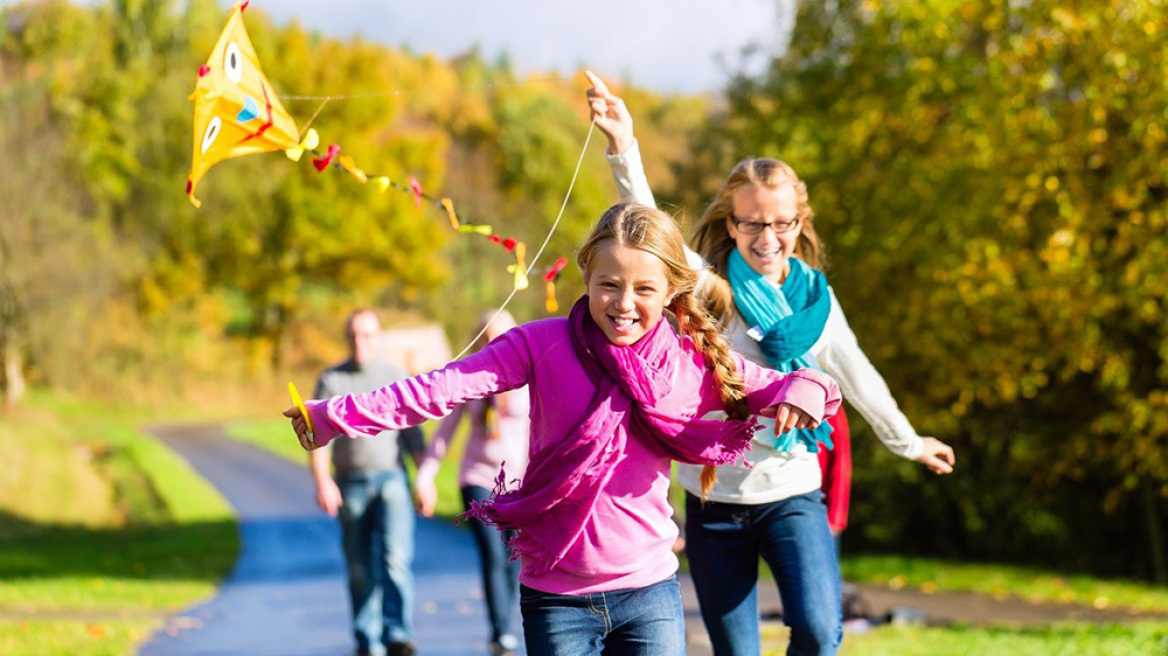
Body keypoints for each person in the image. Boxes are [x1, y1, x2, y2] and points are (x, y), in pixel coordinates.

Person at [286, 202, 842, 656]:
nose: (623, 304)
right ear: (586, 276)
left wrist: (805, 392)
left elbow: (810, 384)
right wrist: (333, 416)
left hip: (649, 592)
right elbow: (439, 388)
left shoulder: (688, 362)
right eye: (609, 284)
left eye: (643, 289)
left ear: (671, 291)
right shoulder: (540, 345)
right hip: (557, 596)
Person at [585, 71, 956, 656]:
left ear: (798, 224)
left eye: (782, 223)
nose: (767, 236)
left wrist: (908, 441)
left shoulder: (815, 300)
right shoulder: (708, 286)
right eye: (752, 222)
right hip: (714, 499)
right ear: (731, 224)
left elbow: (857, 373)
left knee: (817, 631)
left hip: (791, 489)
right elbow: (647, 218)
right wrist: (622, 145)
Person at [413, 310, 530, 656]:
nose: (493, 343)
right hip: (477, 478)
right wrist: (426, 476)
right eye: (486, 336)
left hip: (521, 482)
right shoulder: (471, 379)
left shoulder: (529, 377)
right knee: (493, 554)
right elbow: (443, 435)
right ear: (478, 340)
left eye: (500, 335)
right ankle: (501, 632)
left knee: (515, 556)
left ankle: (506, 619)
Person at [310, 309, 426, 656]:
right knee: (359, 566)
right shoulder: (332, 380)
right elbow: (317, 438)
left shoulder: (395, 377)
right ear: (347, 339)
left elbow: (414, 437)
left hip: (391, 480)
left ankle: (397, 635)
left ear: (379, 337)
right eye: (354, 335)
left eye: (367, 335)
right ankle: (367, 640)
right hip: (350, 484)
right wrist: (323, 483)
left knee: (395, 559)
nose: (360, 342)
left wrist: (425, 478)